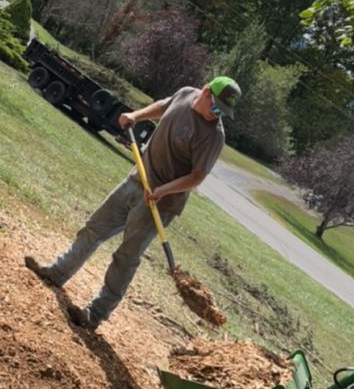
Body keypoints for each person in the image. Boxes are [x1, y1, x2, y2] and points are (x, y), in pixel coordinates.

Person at [25, 75, 241, 330]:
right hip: (136, 179)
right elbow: (163, 106)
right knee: (94, 228)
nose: (217, 115)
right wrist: (136, 115)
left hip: (160, 203)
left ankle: (95, 314)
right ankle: (57, 273)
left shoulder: (213, 136)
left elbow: (196, 177)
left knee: (126, 257)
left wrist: (163, 191)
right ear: (205, 92)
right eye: (216, 107)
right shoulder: (186, 93)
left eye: (223, 112)